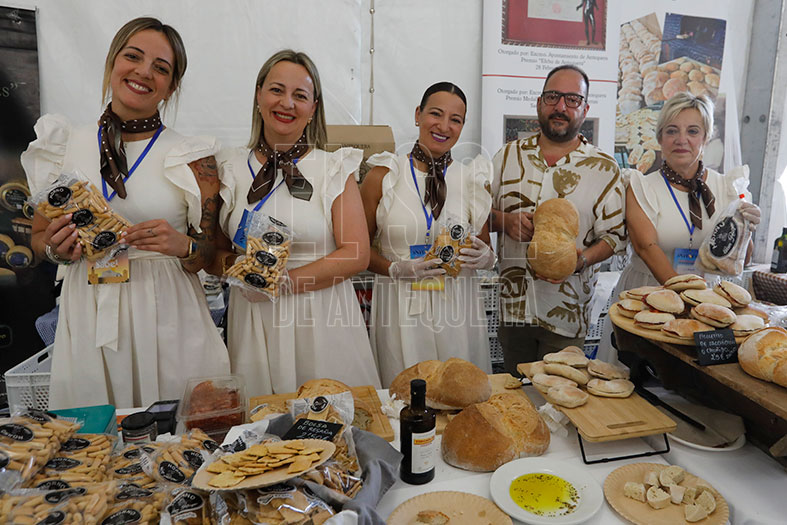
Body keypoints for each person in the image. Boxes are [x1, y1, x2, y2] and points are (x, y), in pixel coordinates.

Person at [22, 17, 230, 409]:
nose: (144, 72)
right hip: (89, 314)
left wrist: (184, 246)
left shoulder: (193, 156)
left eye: (161, 68)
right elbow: (38, 240)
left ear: (172, 86)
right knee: (93, 435)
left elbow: (218, 257)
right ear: (113, 61)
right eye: (133, 56)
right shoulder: (64, 145)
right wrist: (55, 249)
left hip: (168, 316)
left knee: (175, 434)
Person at [211, 50, 380, 397]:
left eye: (300, 95)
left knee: (330, 416)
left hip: (322, 318)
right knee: (264, 422)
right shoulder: (228, 167)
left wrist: (282, 283)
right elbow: (215, 249)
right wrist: (236, 271)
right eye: (276, 90)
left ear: (313, 108)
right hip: (254, 320)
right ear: (258, 95)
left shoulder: (333, 168)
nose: (286, 103)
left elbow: (356, 254)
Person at [596, 92, 761, 362]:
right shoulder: (641, 186)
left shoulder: (728, 188)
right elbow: (646, 247)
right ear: (660, 138)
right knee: (637, 376)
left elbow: (739, 260)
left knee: (694, 381)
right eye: (672, 131)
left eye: (692, 131)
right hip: (649, 295)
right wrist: (684, 303)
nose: (681, 139)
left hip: (706, 301)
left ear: (706, 138)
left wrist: (746, 231)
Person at [490, 64, 626, 372]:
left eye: (572, 99)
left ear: (585, 109)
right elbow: (478, 215)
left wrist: (581, 260)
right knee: (515, 390)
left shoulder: (604, 169)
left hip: (568, 313)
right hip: (514, 308)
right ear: (539, 102)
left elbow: (615, 237)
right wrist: (504, 221)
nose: (561, 106)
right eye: (552, 97)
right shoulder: (507, 157)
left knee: (560, 396)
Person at [360, 82, 494, 387]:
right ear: (418, 114)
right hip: (401, 308)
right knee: (405, 395)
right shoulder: (384, 176)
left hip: (457, 308)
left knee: (460, 392)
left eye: (455, 119)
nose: (444, 126)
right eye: (436, 114)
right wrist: (394, 268)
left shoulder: (471, 179)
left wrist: (488, 258)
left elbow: (483, 243)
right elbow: (358, 250)